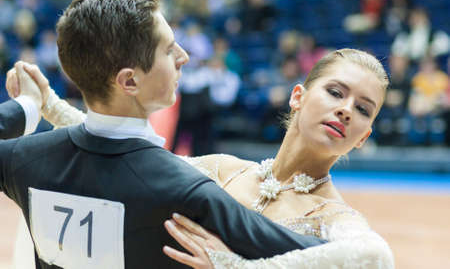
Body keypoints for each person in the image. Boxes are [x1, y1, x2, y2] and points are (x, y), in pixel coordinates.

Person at [1, 0, 325, 269]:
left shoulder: (23, 159)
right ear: (130, 80)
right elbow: (320, 258)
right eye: (169, 50)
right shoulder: (185, 189)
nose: (183, 56)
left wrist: (28, 106)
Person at [10, 49, 394, 268]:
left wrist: (238, 268)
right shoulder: (224, 168)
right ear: (298, 96)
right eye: (335, 92)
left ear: (364, 136)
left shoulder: (335, 217)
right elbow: (135, 163)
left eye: (363, 109)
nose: (346, 110)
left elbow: (376, 257)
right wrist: (51, 105)